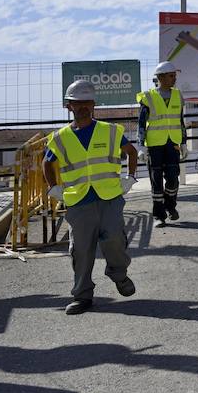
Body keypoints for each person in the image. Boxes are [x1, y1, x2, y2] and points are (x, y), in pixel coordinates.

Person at [42, 79, 139, 315]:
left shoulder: (109, 131)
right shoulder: (60, 138)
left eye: (87, 103)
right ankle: (82, 296)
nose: (83, 107)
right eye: (78, 103)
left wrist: (130, 177)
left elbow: (131, 152)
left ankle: (119, 275)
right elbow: (47, 162)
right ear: (69, 106)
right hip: (78, 202)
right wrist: (54, 188)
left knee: (114, 238)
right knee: (81, 250)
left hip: (110, 198)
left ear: (94, 104)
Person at [137, 60, 186, 225]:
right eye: (171, 76)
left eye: (175, 76)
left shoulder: (178, 95)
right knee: (156, 181)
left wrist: (184, 143)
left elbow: (180, 121)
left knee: (173, 179)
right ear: (161, 77)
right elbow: (141, 123)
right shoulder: (148, 97)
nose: (174, 79)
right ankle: (159, 215)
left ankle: (170, 206)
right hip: (154, 145)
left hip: (173, 144)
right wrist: (141, 146)